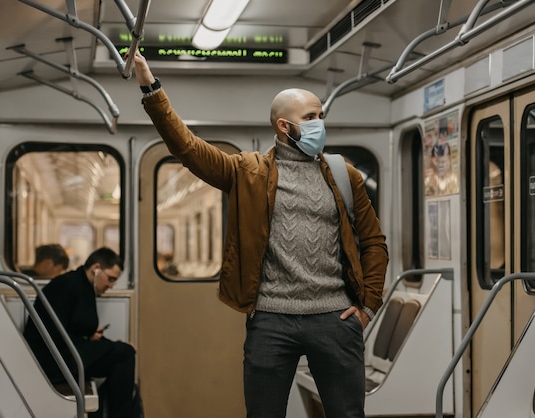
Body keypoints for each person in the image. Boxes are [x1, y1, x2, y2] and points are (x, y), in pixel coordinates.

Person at [132, 51, 389, 418]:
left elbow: (374, 243)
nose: (320, 124)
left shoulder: (343, 175)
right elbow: (187, 147)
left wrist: (367, 307)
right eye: (311, 117)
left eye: (321, 116)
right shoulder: (248, 172)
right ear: (285, 127)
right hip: (271, 320)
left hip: (335, 318)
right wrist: (150, 88)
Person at [23, 247, 140, 418]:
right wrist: (104, 343)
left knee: (122, 357)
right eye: (110, 279)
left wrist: (91, 337)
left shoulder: (82, 285)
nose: (111, 285)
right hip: (53, 359)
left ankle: (104, 414)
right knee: (125, 353)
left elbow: (72, 327)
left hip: (66, 352)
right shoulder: (66, 285)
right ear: (96, 268)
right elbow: (55, 334)